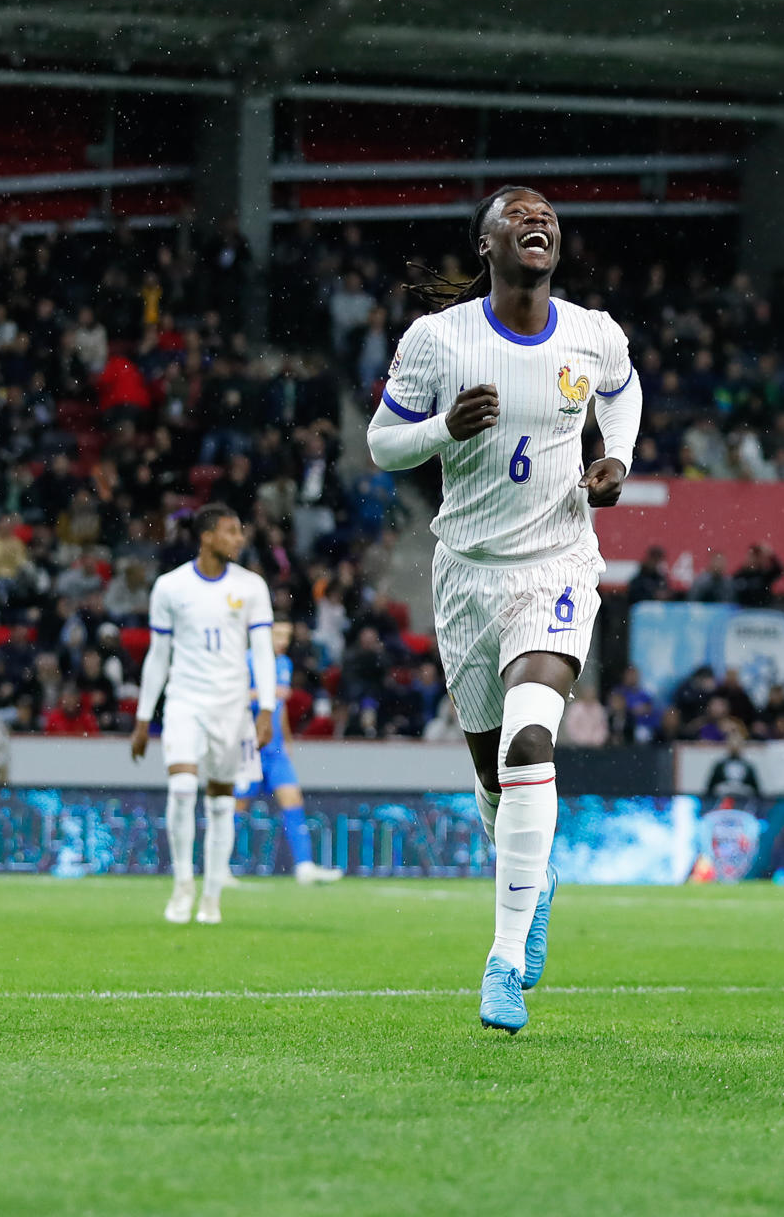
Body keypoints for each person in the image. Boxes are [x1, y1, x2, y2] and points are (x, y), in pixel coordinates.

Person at [366, 186, 641, 1034]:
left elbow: (623, 392)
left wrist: (616, 458)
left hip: (557, 561)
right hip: (468, 574)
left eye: (549, 215)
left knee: (532, 735)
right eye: (518, 214)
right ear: (484, 244)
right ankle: (535, 876)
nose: (539, 220)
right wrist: (444, 428)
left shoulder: (593, 333)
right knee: (494, 777)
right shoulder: (439, 340)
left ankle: (502, 963)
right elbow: (382, 443)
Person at [129, 503, 277, 926]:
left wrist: (265, 708)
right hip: (185, 702)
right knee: (180, 788)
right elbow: (158, 656)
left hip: (231, 707)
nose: (240, 539)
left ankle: (211, 895)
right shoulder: (170, 587)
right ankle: (181, 886)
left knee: (219, 804)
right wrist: (143, 718)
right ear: (207, 536)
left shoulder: (251, 587)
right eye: (231, 531)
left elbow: (262, 652)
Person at [232, 621, 342, 885]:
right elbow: (234, 698)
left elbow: (278, 710)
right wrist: (262, 694)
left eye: (287, 635)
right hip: (249, 747)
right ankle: (220, 867)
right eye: (278, 634)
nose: (283, 640)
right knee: (237, 806)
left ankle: (304, 867)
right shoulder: (246, 661)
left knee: (293, 800)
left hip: (276, 750)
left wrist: (288, 739)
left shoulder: (284, 664)